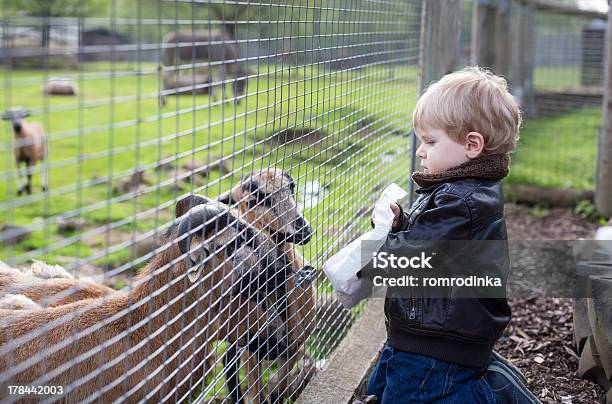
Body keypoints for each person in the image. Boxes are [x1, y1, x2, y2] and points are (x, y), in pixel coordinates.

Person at [366, 66, 522, 403]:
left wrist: (376, 252)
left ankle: (492, 396)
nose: (421, 151)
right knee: (385, 387)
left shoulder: (461, 201)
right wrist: (399, 226)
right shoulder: (458, 192)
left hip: (437, 344)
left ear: (472, 145)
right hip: (429, 332)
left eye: (430, 141)